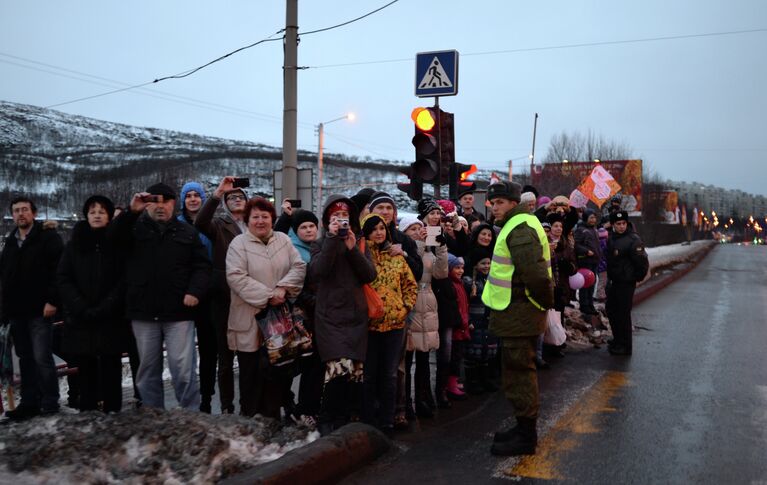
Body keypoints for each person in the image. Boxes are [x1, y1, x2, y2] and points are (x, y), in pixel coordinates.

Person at [112, 183, 211, 410]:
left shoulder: (187, 232)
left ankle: (190, 417)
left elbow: (202, 267)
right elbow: (112, 240)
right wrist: (131, 212)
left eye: (165, 201)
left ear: (173, 203)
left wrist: (195, 291)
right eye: (154, 200)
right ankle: (153, 416)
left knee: (183, 369)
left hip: (179, 312)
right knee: (147, 370)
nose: (160, 206)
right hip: (143, 311)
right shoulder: (134, 229)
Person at [482, 181, 554, 456]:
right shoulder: (522, 223)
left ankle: (526, 436)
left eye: (499, 202)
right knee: (515, 371)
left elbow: (535, 275)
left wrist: (544, 302)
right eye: (492, 202)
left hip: (520, 311)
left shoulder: (520, 227)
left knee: (519, 374)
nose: (493, 207)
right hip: (516, 312)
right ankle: (523, 427)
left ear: (513, 203)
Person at [225, 197, 306, 418]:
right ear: (247, 219)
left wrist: (283, 288)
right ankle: (249, 421)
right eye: (255, 217)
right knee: (251, 374)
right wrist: (270, 296)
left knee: (277, 373)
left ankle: (273, 420)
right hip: (250, 320)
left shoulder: (283, 240)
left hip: (279, 322)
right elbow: (236, 278)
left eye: (265, 216)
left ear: (273, 219)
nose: (260, 221)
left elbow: (299, 267)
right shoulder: (238, 244)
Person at [310, 195, 377, 435]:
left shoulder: (358, 243)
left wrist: (352, 250)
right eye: (336, 216)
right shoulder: (319, 243)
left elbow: (369, 275)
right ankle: (327, 419)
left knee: (354, 373)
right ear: (328, 220)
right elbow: (318, 271)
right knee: (338, 369)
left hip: (356, 317)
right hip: (330, 317)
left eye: (344, 216)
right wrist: (330, 238)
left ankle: (347, 420)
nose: (341, 220)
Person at [57, 195, 125, 413]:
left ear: (109, 216)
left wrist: (108, 305)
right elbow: (63, 277)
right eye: (92, 211)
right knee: (85, 370)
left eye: (102, 211)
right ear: (86, 215)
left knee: (111, 368)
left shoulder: (116, 243)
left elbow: (123, 279)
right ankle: (88, 416)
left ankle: (113, 414)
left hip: (110, 317)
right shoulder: (74, 245)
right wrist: (79, 305)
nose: (97, 215)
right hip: (81, 318)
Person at [0, 197, 64, 420]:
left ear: (34, 213)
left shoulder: (48, 238)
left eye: (25, 210)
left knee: (41, 357)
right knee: (25, 358)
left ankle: (50, 403)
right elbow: (5, 277)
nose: (20, 214)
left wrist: (53, 300)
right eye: (16, 210)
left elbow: (59, 272)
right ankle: (29, 403)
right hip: (17, 311)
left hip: (40, 309)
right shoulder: (10, 241)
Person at [194, 176, 248, 414]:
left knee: (250, 358)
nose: (236, 199)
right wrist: (217, 194)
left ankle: (250, 404)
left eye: (240, 196)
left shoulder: (255, 224)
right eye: (231, 197)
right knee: (225, 359)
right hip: (225, 299)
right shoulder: (219, 224)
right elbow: (200, 222)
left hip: (252, 300)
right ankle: (227, 407)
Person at [361, 213, 418, 433]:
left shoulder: (396, 256)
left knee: (390, 373)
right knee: (369, 373)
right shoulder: (363, 256)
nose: (379, 232)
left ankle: (387, 420)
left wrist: (405, 307)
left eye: (382, 228)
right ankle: (367, 419)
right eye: (374, 229)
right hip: (370, 325)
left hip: (395, 325)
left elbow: (410, 286)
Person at [401, 215, 446, 418]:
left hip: (428, 303)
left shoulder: (429, 251)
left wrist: (441, 247)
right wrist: (418, 243)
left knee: (425, 355)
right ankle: (406, 402)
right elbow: (415, 270)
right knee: (407, 357)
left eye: (420, 228)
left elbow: (441, 274)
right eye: (412, 229)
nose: (419, 232)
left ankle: (423, 398)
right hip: (411, 302)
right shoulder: (404, 251)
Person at [178, 181, 216, 413]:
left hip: (209, 296)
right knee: (183, 353)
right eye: (188, 196)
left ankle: (206, 398)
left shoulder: (211, 224)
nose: (193, 199)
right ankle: (187, 398)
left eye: (197, 195)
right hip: (184, 296)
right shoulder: (176, 225)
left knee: (209, 350)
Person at [605, 210, 649, 356]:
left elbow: (642, 262)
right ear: (613, 225)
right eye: (618, 224)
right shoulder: (612, 238)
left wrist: (634, 278)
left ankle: (625, 346)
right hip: (614, 281)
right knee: (611, 310)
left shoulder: (633, 239)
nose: (622, 226)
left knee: (623, 314)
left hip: (625, 283)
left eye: (624, 223)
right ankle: (617, 340)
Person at [463, 246, 498, 394]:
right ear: (476, 265)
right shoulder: (469, 282)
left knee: (486, 350)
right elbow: (464, 303)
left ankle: (485, 379)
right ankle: (472, 381)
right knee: (473, 352)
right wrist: (468, 320)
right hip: (474, 321)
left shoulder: (491, 279)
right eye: (483, 264)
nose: (487, 266)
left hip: (488, 319)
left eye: (489, 263)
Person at [447, 254, 470, 400]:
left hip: (463, 325)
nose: (460, 271)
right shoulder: (452, 284)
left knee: (458, 355)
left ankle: (454, 382)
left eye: (462, 268)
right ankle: (451, 384)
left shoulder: (459, 283)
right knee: (454, 356)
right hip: (458, 327)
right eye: (457, 268)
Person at [574, 209, 602, 317]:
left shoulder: (594, 230)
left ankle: (590, 304)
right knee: (585, 284)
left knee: (592, 284)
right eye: (591, 217)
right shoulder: (581, 230)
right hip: (585, 260)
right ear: (585, 218)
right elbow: (576, 245)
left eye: (594, 217)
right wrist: (586, 251)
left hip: (594, 260)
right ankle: (584, 305)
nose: (593, 220)